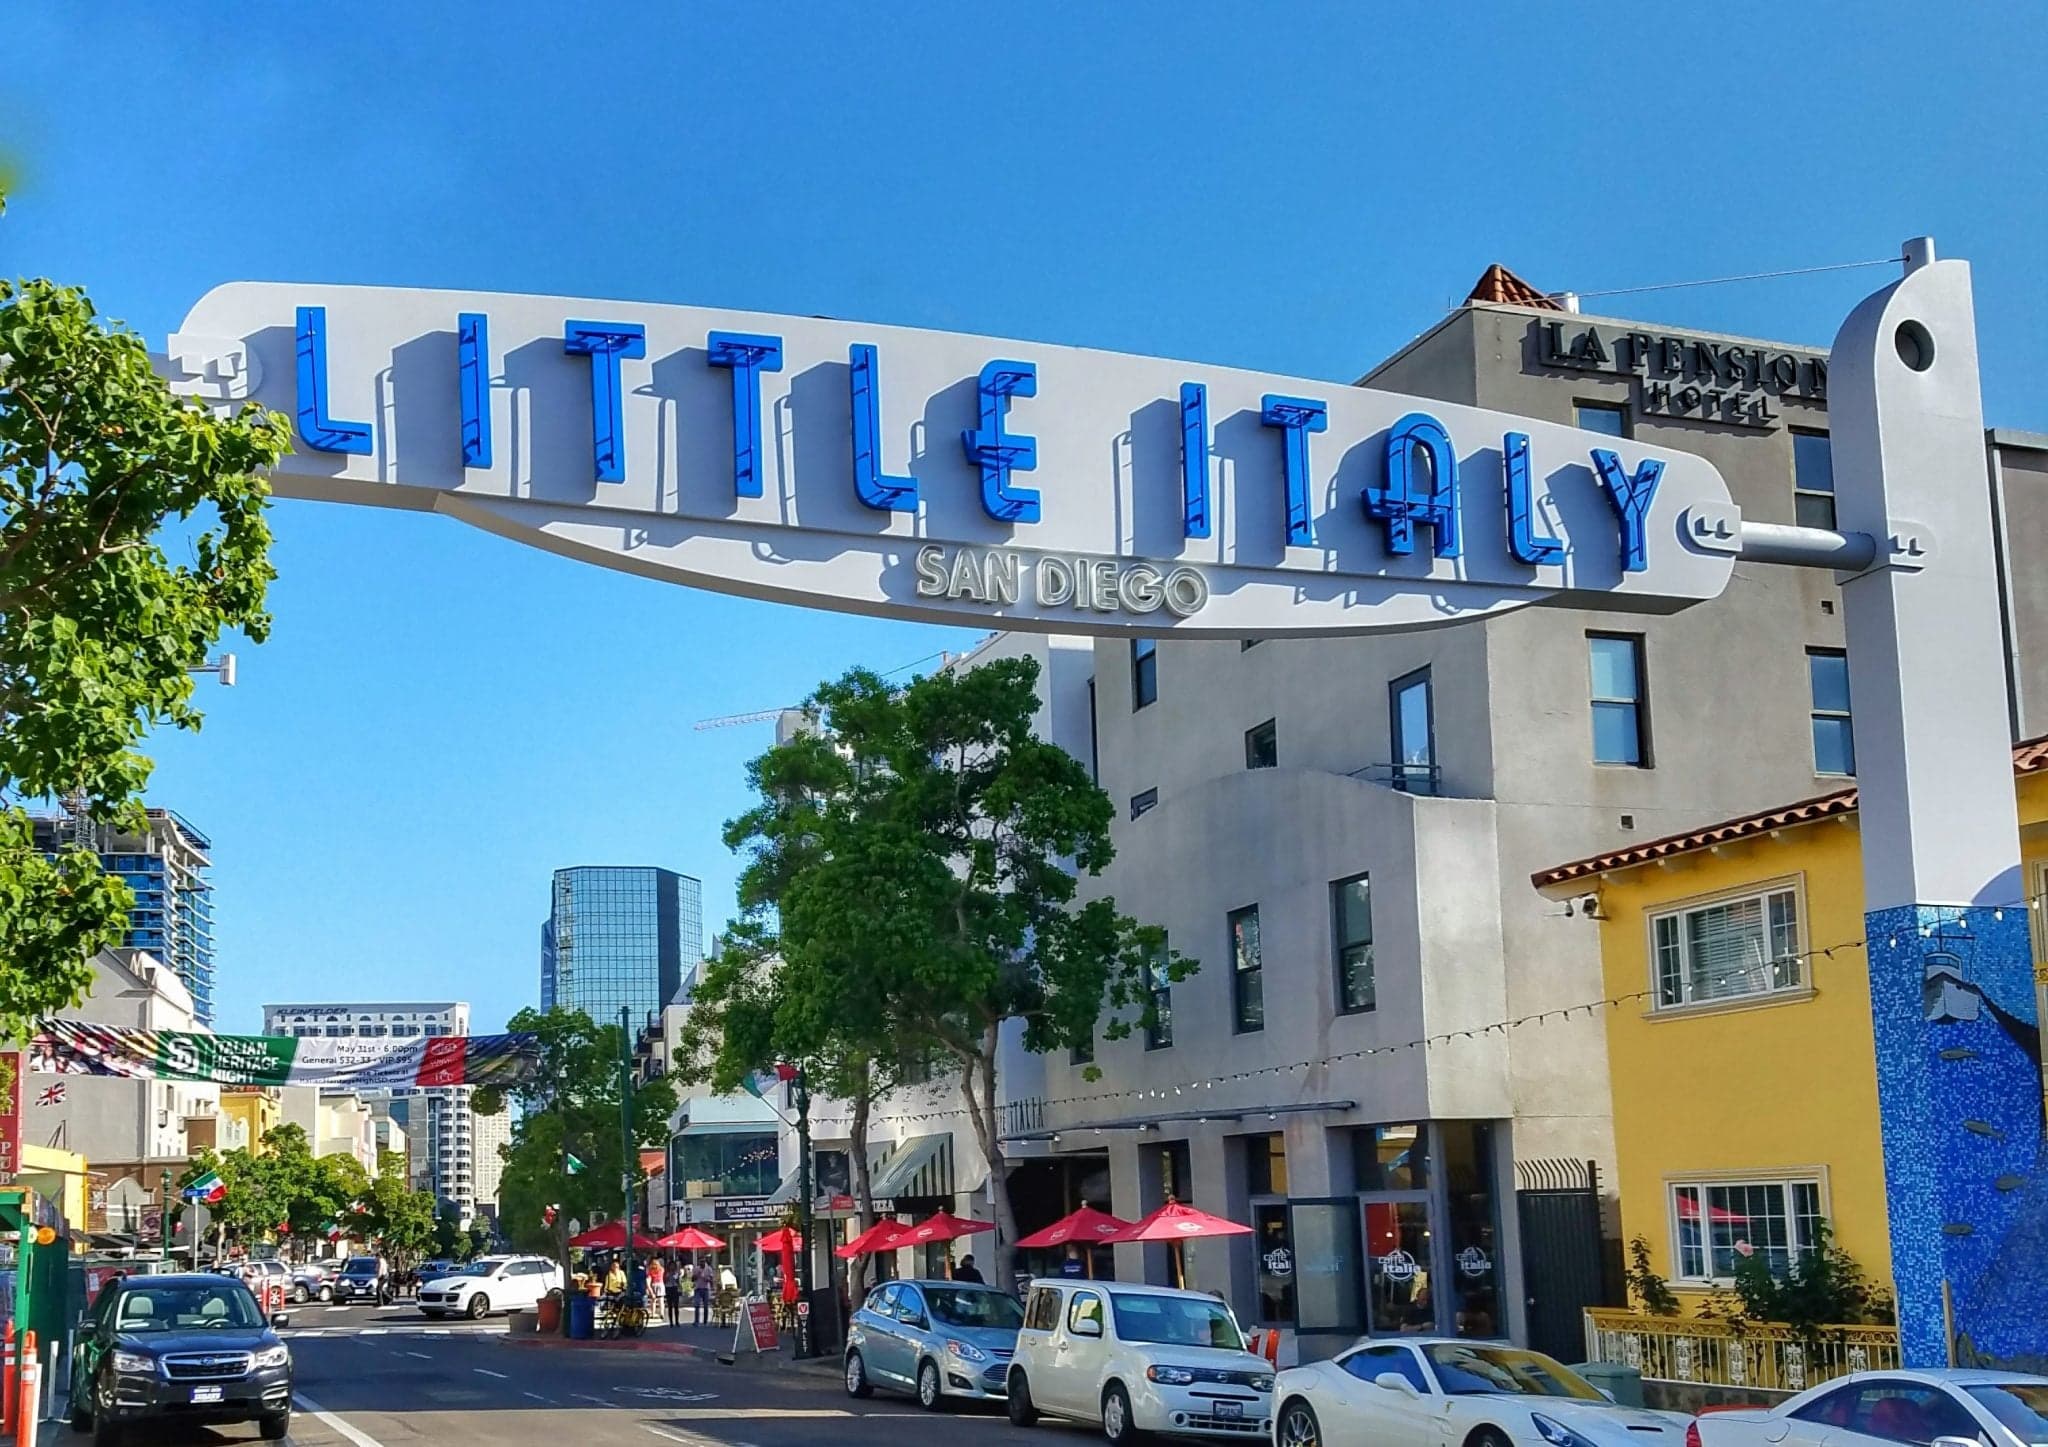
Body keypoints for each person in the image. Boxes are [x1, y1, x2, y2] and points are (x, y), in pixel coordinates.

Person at [667, 1259, 686, 1327]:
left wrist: (680, 1287)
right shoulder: (667, 1273)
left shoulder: (676, 1273)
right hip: (669, 1288)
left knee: (676, 1306)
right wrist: (668, 1276)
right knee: (670, 1306)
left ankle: (677, 1321)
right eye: (670, 1266)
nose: (672, 1267)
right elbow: (665, 1281)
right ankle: (671, 1322)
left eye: (673, 1266)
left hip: (675, 1288)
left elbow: (678, 1282)